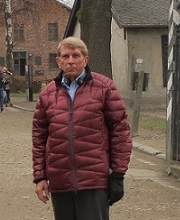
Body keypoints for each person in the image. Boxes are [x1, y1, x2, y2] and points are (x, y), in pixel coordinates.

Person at [32, 37, 132, 220]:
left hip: (93, 179)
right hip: (60, 180)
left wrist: (118, 174)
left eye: (76, 55)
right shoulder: (47, 94)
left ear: (85, 59)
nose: (71, 60)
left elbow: (121, 131)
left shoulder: (104, 88)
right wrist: (40, 177)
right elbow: (39, 138)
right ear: (58, 60)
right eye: (66, 56)